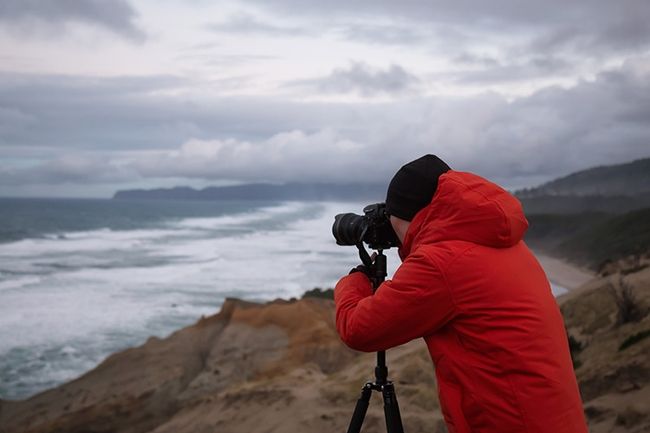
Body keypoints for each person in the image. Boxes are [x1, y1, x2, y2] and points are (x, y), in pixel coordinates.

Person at [334, 155, 588, 433]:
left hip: (508, 423)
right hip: (554, 418)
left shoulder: (441, 262)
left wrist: (354, 281)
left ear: (410, 215)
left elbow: (359, 330)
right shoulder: (498, 240)